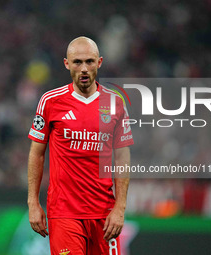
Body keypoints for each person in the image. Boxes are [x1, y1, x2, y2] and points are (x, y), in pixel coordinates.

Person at [27, 36, 133, 255]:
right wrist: (32, 202)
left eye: (89, 61)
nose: (84, 68)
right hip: (64, 212)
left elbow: (122, 157)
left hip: (103, 214)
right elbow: (37, 153)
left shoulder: (115, 103)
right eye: (77, 62)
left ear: (99, 62)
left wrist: (120, 208)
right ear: (67, 64)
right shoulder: (50, 101)